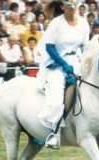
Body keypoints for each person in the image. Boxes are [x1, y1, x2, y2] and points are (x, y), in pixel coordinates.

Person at [36, 0, 90, 149]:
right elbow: (49, 47)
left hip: (77, 60)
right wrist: (64, 65)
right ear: (62, 7)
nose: (72, 7)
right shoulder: (56, 23)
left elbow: (86, 46)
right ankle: (55, 132)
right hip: (57, 62)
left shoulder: (83, 23)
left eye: (74, 4)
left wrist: (84, 60)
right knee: (56, 97)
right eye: (68, 5)